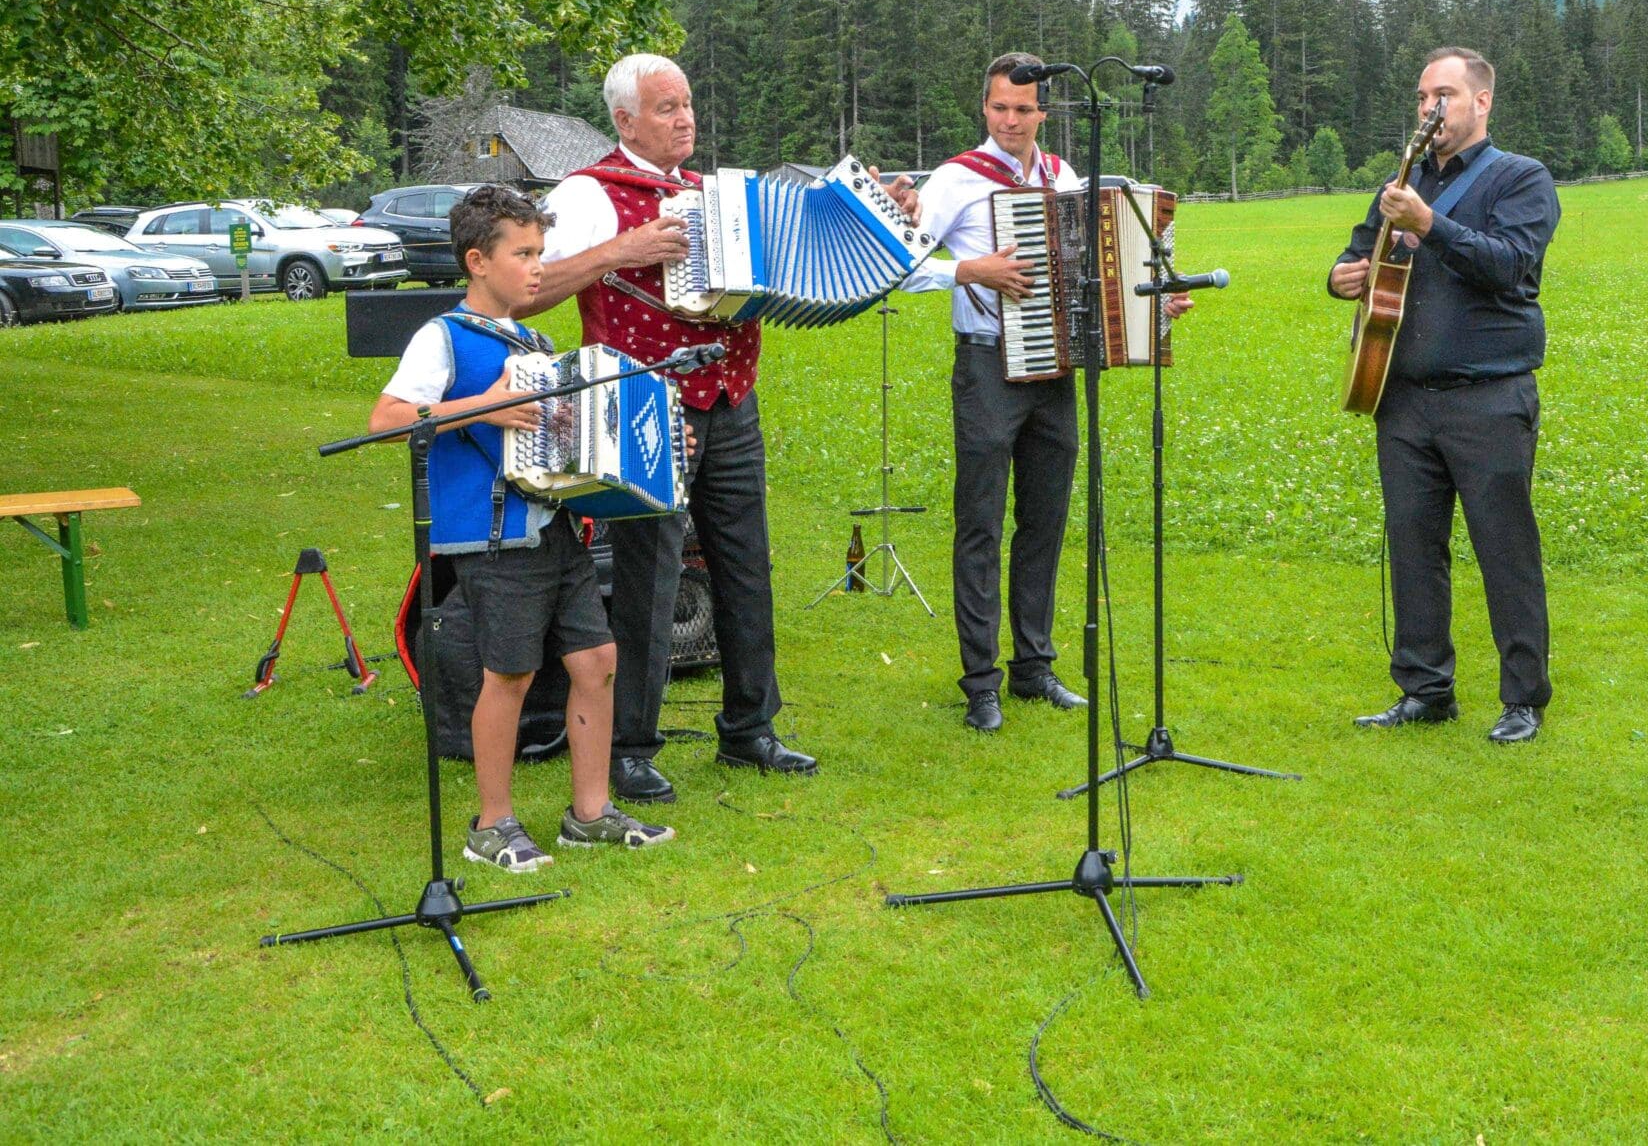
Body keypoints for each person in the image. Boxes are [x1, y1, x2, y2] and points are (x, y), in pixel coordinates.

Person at [533, 53, 921, 795]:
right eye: (666, 108)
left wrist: (882, 218)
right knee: (651, 575)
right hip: (644, 402)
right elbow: (525, 288)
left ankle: (750, 729)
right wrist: (625, 248)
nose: (686, 119)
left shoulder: (714, 194)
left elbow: (805, 260)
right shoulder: (589, 193)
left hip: (732, 398)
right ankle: (629, 748)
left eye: (687, 105)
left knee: (746, 564)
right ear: (625, 121)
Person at [370, 185, 675, 871]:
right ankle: (492, 824)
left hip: (555, 529)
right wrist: (484, 407)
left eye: (542, 251)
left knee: (597, 661)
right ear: (478, 260)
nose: (539, 266)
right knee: (507, 674)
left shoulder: (534, 340)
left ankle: (588, 814)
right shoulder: (442, 336)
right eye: (526, 253)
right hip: (492, 535)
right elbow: (386, 420)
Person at [905, 52, 1189, 731]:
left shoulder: (1063, 176)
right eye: (1000, 107)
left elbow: (1101, 258)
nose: (1011, 120)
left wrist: (1152, 301)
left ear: (1043, 113)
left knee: (1045, 522)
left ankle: (1034, 666)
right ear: (986, 108)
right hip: (985, 366)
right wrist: (971, 270)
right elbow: (900, 264)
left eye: (1024, 110)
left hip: (1055, 369)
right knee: (980, 525)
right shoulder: (953, 180)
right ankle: (981, 683)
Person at [1329, 47, 1560, 745]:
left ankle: (1524, 698)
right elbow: (1355, 257)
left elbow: (1511, 267)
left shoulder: (1521, 179)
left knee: (1504, 549)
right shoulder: (1397, 182)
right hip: (1403, 396)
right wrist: (1342, 275)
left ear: (1482, 102)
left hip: (1487, 396)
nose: (1432, 107)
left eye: (1447, 95)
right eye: (1425, 95)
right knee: (1412, 546)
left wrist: (1431, 225)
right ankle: (1424, 688)